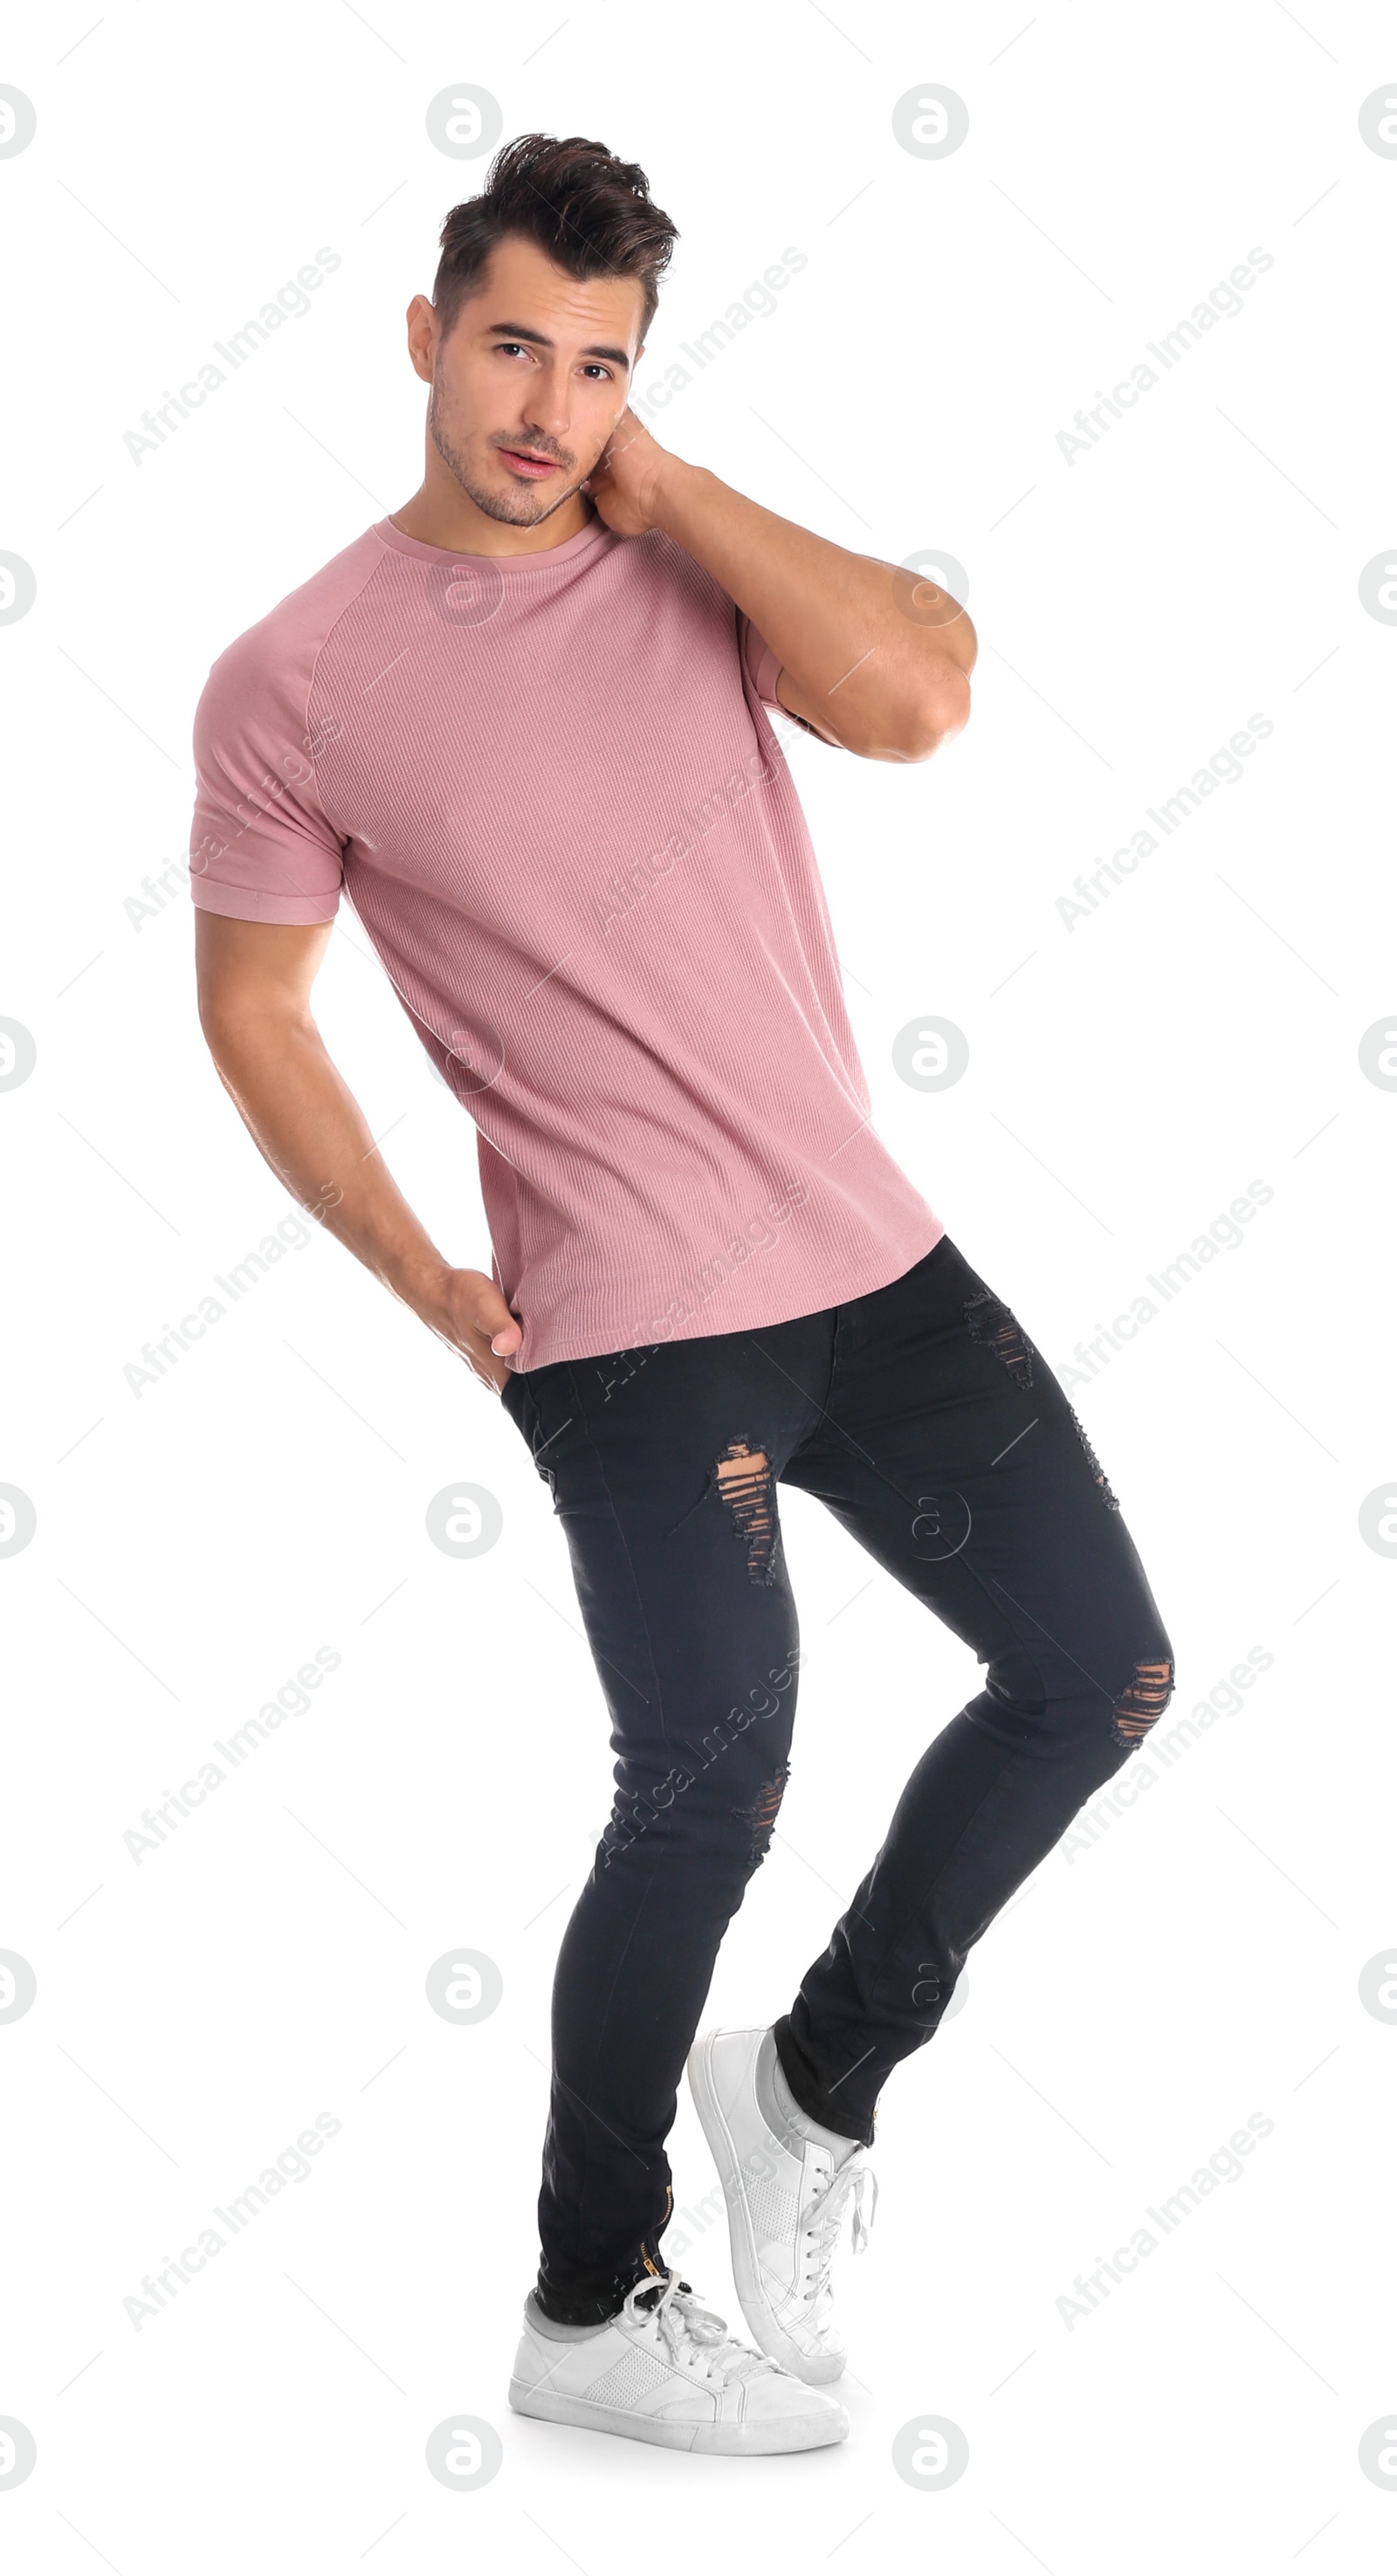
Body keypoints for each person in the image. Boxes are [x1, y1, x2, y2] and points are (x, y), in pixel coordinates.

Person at [189, 132, 1175, 2459]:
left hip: (870, 1252)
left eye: (601, 364)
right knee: (713, 1778)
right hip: (631, 1320)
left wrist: (679, 485)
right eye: (515, 345)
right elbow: (256, 1010)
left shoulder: (682, 551)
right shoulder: (296, 679)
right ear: (430, 335)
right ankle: (583, 2292)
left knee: (1099, 1668)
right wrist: (425, 1270)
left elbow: (923, 695)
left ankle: (813, 2080)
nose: (548, 406)